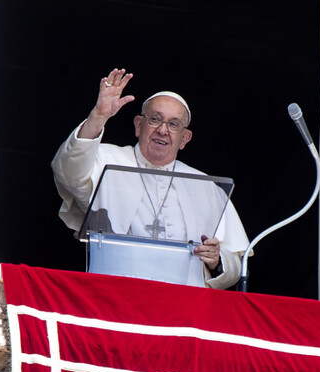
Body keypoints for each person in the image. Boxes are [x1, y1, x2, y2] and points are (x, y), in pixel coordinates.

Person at [52, 68, 249, 289]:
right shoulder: (107, 159)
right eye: (155, 119)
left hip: (183, 306)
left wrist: (217, 260)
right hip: (114, 294)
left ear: (184, 139)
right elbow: (68, 172)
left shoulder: (206, 186)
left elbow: (236, 261)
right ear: (138, 125)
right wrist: (98, 117)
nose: (163, 130)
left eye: (174, 124)